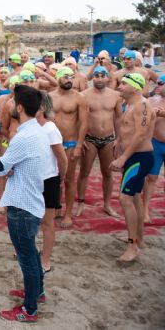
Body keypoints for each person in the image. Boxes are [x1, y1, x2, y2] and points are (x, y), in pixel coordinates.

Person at [0, 85, 48, 323]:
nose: (11, 105)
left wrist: (6, 167)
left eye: (14, 102)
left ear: (21, 108)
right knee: (32, 253)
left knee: (26, 258)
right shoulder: (38, 130)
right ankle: (38, 293)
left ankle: (30, 310)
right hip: (31, 200)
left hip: (22, 205)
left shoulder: (22, 137)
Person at [111, 74, 155, 262]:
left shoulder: (142, 105)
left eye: (124, 84)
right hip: (133, 158)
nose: (120, 86)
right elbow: (125, 129)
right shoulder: (129, 104)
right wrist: (118, 142)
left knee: (125, 198)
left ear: (136, 88)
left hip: (139, 158)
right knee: (134, 197)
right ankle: (140, 238)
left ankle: (133, 245)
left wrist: (123, 158)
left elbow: (140, 135)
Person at [76, 66, 122, 217]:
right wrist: (80, 139)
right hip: (90, 139)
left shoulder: (116, 95)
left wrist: (118, 138)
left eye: (103, 75)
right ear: (93, 77)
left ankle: (107, 205)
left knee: (108, 173)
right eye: (97, 75)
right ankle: (81, 203)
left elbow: (118, 118)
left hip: (108, 139)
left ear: (108, 77)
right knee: (84, 172)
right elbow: (79, 120)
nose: (100, 78)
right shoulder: (83, 95)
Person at [49, 67, 88, 228]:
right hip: (51, 144)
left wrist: (79, 144)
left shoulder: (79, 98)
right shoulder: (49, 97)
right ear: (57, 78)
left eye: (71, 77)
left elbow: (84, 122)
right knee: (52, 179)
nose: (69, 80)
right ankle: (55, 208)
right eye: (65, 77)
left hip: (70, 143)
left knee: (69, 179)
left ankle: (68, 213)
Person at [37, 92, 67, 272]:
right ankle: (31, 251)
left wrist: (59, 178)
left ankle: (45, 259)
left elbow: (62, 159)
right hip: (33, 179)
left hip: (49, 179)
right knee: (32, 220)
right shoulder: (31, 127)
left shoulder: (50, 128)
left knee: (47, 223)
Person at [144, 74, 165, 223]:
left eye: (161, 83)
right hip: (155, 143)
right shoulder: (151, 101)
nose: (158, 85)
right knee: (151, 178)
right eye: (158, 83)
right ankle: (145, 211)